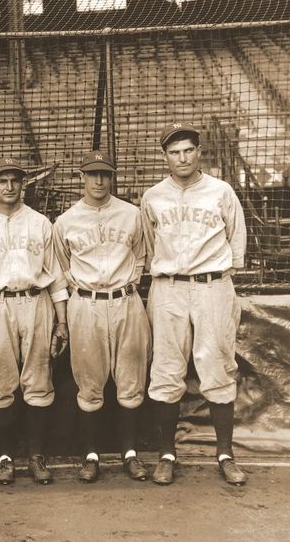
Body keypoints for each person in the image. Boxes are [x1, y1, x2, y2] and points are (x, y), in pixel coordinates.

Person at [141, 123, 248, 486]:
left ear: (199, 151)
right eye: (174, 152)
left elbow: (236, 238)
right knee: (167, 368)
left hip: (212, 285)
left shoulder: (220, 191)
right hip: (168, 287)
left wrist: (221, 275)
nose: (182, 157)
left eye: (188, 150)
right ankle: (167, 455)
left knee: (216, 365)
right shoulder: (153, 196)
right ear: (165, 156)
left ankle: (225, 455)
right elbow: (147, 244)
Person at [0, 157, 69, 486]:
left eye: (15, 180)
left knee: (38, 382)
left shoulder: (40, 223)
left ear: (23, 184)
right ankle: (5, 457)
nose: (9, 187)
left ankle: (36, 455)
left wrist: (61, 322)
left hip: (36, 302)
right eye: (2, 180)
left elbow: (56, 279)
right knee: (0, 382)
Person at [53, 150, 151, 483]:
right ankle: (91, 455)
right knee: (89, 382)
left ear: (112, 177)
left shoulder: (132, 214)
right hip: (86, 304)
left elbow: (141, 256)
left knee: (130, 380)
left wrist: (130, 282)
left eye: (105, 174)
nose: (99, 180)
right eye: (92, 174)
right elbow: (63, 267)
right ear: (81, 177)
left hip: (125, 301)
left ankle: (130, 454)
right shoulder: (65, 221)